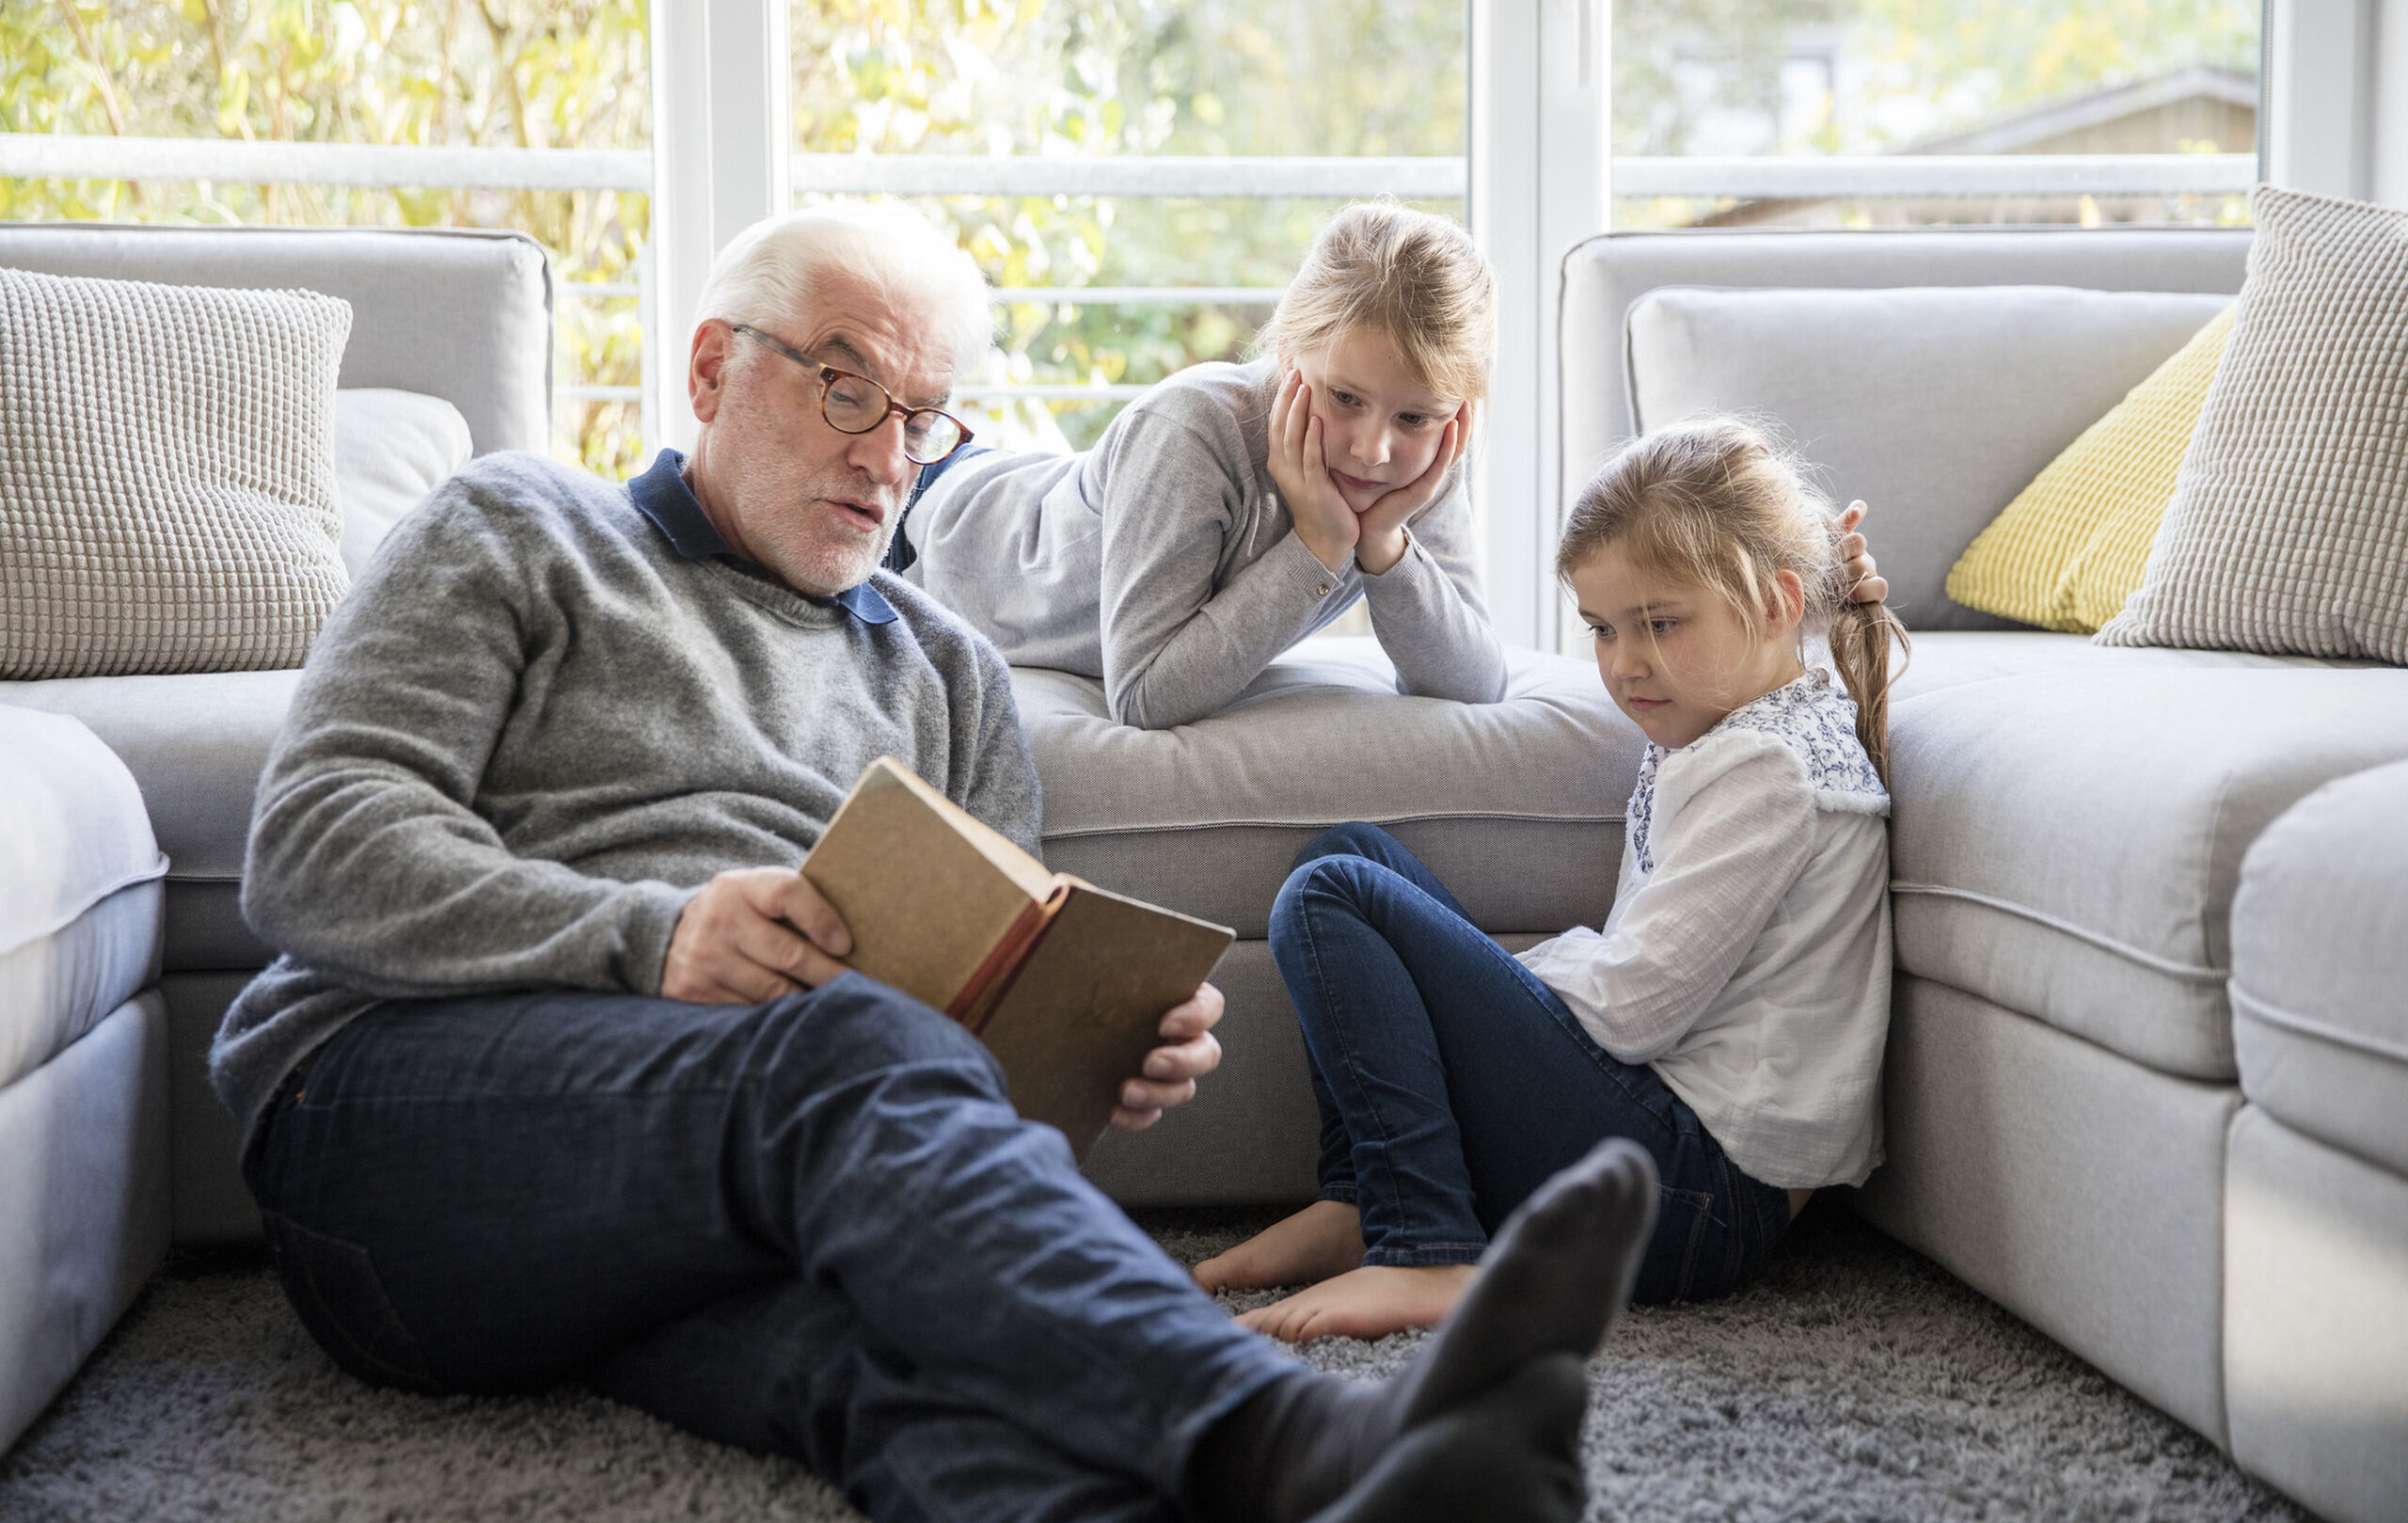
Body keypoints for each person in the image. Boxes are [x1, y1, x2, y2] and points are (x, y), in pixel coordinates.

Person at [213, 200, 1667, 1523]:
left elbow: (957, 1096)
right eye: (846, 385)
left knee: (909, 1361)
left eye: (921, 416)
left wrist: (1092, 1051)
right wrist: (648, 938)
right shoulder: (523, 527)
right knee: (835, 1046)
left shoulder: (951, 677)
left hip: (717, 1206)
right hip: (396, 1142)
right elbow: (315, 846)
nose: (884, 454)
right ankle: (1306, 1440)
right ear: (714, 368)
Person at [1197, 416, 1911, 1344]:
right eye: (1603, 629)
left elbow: (1633, 1008)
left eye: (1659, 623)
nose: (1624, 663)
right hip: (1662, 1163)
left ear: (1777, 602)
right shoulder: (1730, 733)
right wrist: (1460, 984)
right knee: (1349, 851)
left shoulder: (1769, 771)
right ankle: (1364, 1197)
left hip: (1692, 1202)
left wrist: (1474, 984)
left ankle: (1427, 1246)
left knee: (1337, 896)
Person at [899, 201, 1508, 729]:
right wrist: (1319, 547)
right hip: (923, 519)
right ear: (1288, 349)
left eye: (1414, 418)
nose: (1373, 450)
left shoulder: (1418, 463)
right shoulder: (1191, 429)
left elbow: (1475, 684)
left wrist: (1385, 546)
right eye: (1345, 399)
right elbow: (1144, 696)